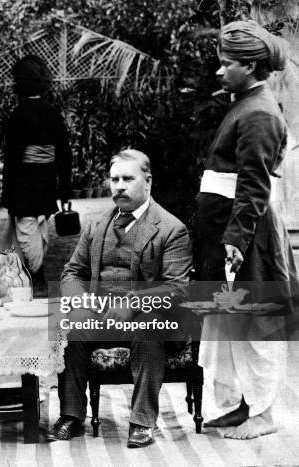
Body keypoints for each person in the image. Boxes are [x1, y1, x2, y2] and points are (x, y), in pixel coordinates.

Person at [48, 150, 193, 448]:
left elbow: (177, 289)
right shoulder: (97, 225)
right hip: (101, 315)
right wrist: (82, 303)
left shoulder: (171, 228)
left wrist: (133, 303)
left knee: (149, 329)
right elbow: (73, 271)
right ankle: (72, 415)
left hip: (152, 318)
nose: (119, 186)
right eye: (115, 179)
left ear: (148, 181)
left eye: (128, 178)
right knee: (69, 326)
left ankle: (141, 422)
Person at [194, 20, 296, 439]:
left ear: (251, 66)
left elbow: (254, 186)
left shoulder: (258, 113)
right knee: (230, 321)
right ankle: (241, 404)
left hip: (246, 234)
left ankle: (264, 414)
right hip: (228, 228)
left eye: (227, 64)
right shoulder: (245, 103)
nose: (219, 71)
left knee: (255, 324)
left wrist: (236, 241)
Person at [1, 54, 72, 296]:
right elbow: (65, 154)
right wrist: (65, 189)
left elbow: (10, 160)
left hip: (23, 183)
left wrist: (7, 194)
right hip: (46, 180)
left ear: (19, 85)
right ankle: (34, 274)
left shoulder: (17, 115)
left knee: (26, 232)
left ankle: (37, 276)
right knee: (37, 230)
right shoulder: (53, 114)